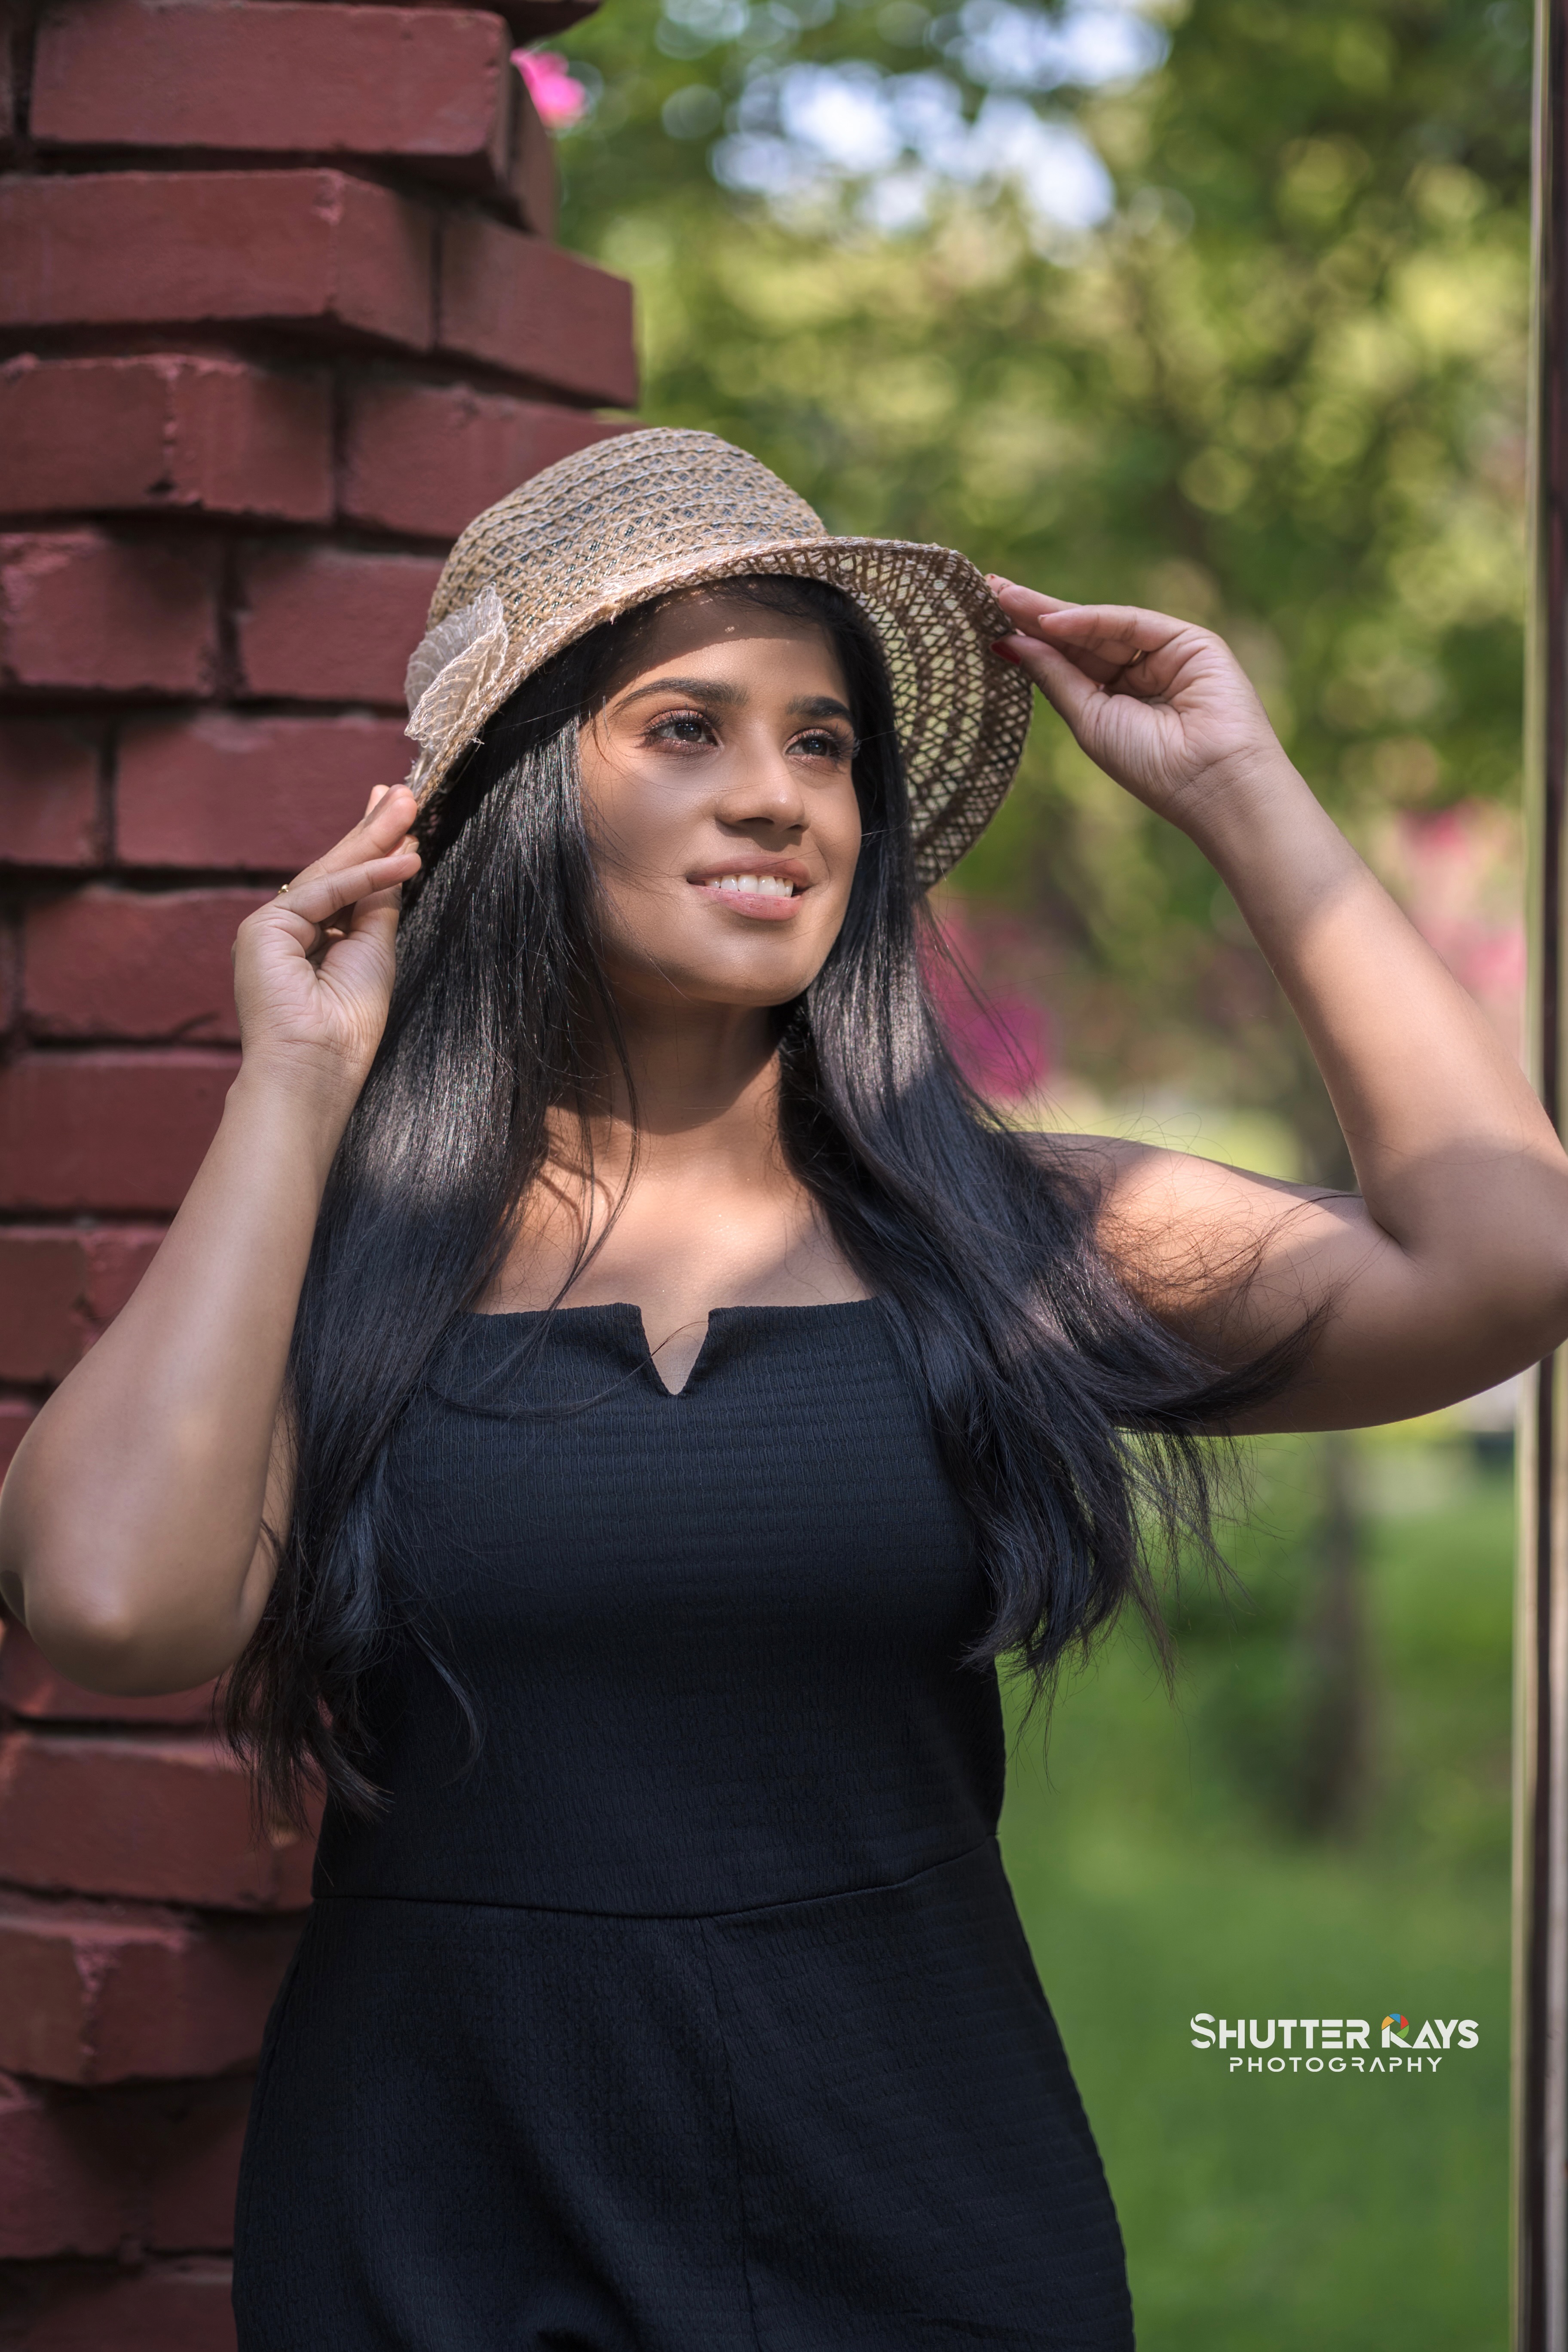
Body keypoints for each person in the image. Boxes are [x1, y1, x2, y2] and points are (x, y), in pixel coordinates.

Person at [1, 428, 1563, 2349]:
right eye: (689, 730)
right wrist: (297, 1083)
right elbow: (112, 1600)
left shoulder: (1006, 1238)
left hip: (927, 2229)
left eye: (825, 746)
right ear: (516, 793)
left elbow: (1507, 1263)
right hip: (441, 2242)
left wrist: (1240, 791)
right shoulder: (332, 1262)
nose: (780, 796)